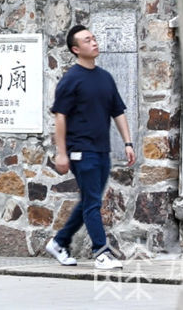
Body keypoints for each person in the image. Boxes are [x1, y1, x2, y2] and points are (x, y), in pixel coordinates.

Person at [45, 25, 136, 270]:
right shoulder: (71, 79)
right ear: (76, 49)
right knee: (93, 202)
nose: (94, 42)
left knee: (90, 200)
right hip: (80, 150)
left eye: (93, 38)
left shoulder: (105, 77)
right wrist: (61, 153)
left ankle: (59, 242)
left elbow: (118, 111)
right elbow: (60, 117)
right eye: (87, 40)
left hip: (101, 150)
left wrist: (128, 143)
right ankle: (101, 252)